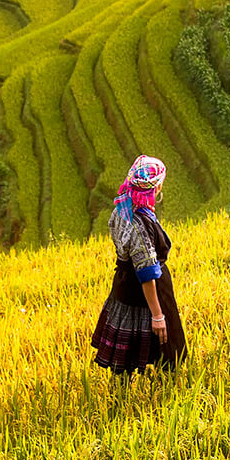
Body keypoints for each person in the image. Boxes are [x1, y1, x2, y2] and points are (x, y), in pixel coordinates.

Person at [91, 155, 185, 373]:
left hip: (123, 285)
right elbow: (146, 273)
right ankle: (164, 391)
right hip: (144, 290)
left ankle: (124, 390)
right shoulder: (139, 223)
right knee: (169, 349)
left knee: (126, 351)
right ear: (156, 186)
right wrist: (157, 315)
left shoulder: (121, 209)